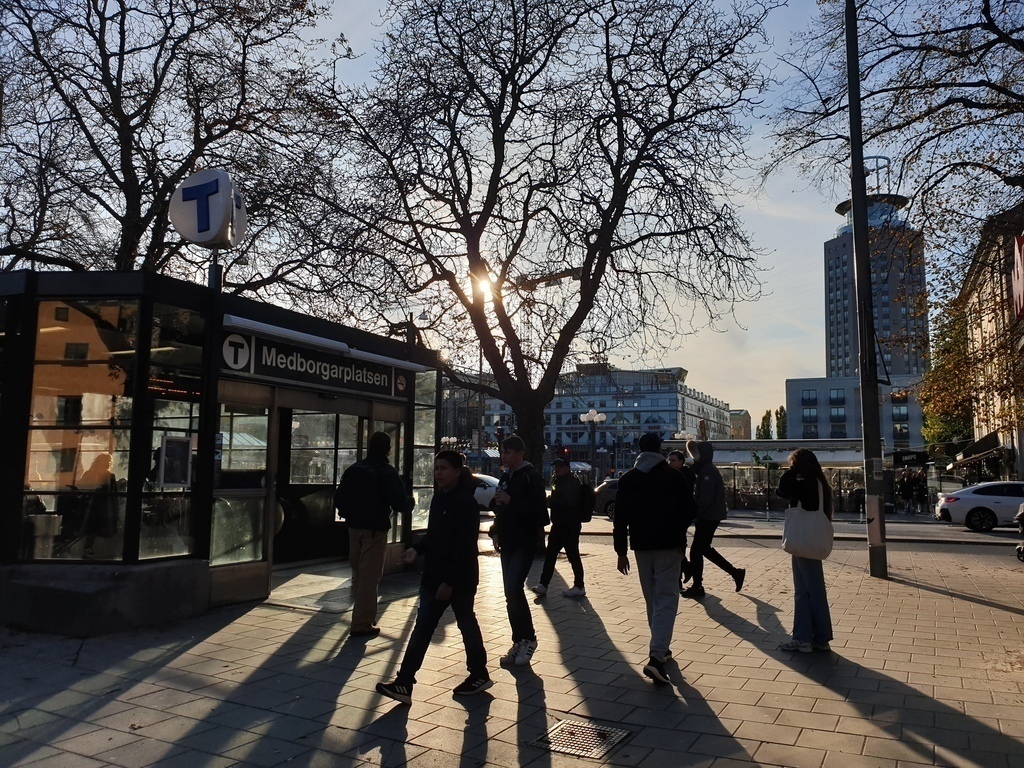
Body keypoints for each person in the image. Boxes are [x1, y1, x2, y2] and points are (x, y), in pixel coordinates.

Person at [376, 451, 490, 704]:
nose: (438, 473)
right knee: (426, 628)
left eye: (444, 468)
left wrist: (449, 582)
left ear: (458, 471)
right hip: (433, 576)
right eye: (436, 468)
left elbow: (464, 547)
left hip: (456, 579)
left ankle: (477, 673)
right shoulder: (440, 499)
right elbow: (435, 535)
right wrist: (416, 549)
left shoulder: (465, 503)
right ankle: (405, 682)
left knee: (463, 624)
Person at [614, 432, 690, 684]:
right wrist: (683, 547)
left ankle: (662, 647)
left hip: (641, 546)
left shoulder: (628, 479)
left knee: (652, 598)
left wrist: (621, 552)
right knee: (667, 598)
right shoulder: (674, 477)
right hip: (668, 545)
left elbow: (619, 519)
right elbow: (687, 513)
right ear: (660, 449)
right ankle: (657, 656)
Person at [340, 431, 412, 638]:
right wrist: (411, 503)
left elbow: (340, 498)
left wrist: (349, 515)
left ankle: (362, 615)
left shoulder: (354, 470)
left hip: (354, 528)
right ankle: (362, 623)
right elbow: (400, 502)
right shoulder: (387, 472)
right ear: (388, 448)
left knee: (359, 574)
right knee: (370, 577)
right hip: (375, 529)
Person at [490, 435, 548, 667]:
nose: (504, 456)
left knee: (514, 588)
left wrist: (511, 501)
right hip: (508, 541)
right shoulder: (506, 477)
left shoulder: (530, 477)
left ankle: (529, 639)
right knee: (509, 593)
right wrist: (495, 530)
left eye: (508, 452)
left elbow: (540, 514)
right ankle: (518, 641)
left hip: (524, 541)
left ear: (520, 453)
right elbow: (500, 509)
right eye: (503, 452)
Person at [776, 448, 834, 652]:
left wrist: (791, 470)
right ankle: (819, 637)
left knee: (804, 591)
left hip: (803, 541)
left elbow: (782, 490)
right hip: (811, 540)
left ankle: (803, 638)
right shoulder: (820, 483)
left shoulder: (806, 483)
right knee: (814, 590)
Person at [681, 440, 745, 600]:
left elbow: (706, 498)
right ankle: (734, 573)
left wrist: (696, 513)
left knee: (697, 550)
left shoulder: (707, 471)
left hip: (708, 515)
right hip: (710, 515)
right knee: (702, 549)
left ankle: (698, 585)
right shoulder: (706, 469)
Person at [533, 458, 586, 598]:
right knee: (551, 556)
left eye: (560, 466)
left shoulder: (572, 483)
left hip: (569, 525)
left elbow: (569, 502)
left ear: (567, 468)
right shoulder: (558, 481)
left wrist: (552, 501)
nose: (557, 469)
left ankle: (579, 586)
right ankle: (543, 585)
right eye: (556, 466)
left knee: (572, 556)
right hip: (559, 524)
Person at [666, 450, 697, 589]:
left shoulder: (685, 475)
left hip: (681, 515)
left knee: (677, 545)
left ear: (681, 461)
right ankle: (682, 571)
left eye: (673, 460)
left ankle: (684, 571)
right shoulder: (674, 474)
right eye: (669, 460)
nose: (670, 463)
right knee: (677, 545)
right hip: (676, 515)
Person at [80, 453, 119, 558]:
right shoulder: (90, 474)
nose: (108, 464)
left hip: (104, 506)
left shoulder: (110, 476)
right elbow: (82, 487)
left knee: (101, 529)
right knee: (92, 528)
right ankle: (88, 548)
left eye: (109, 462)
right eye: (106, 461)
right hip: (91, 505)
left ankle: (97, 550)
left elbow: (114, 493)